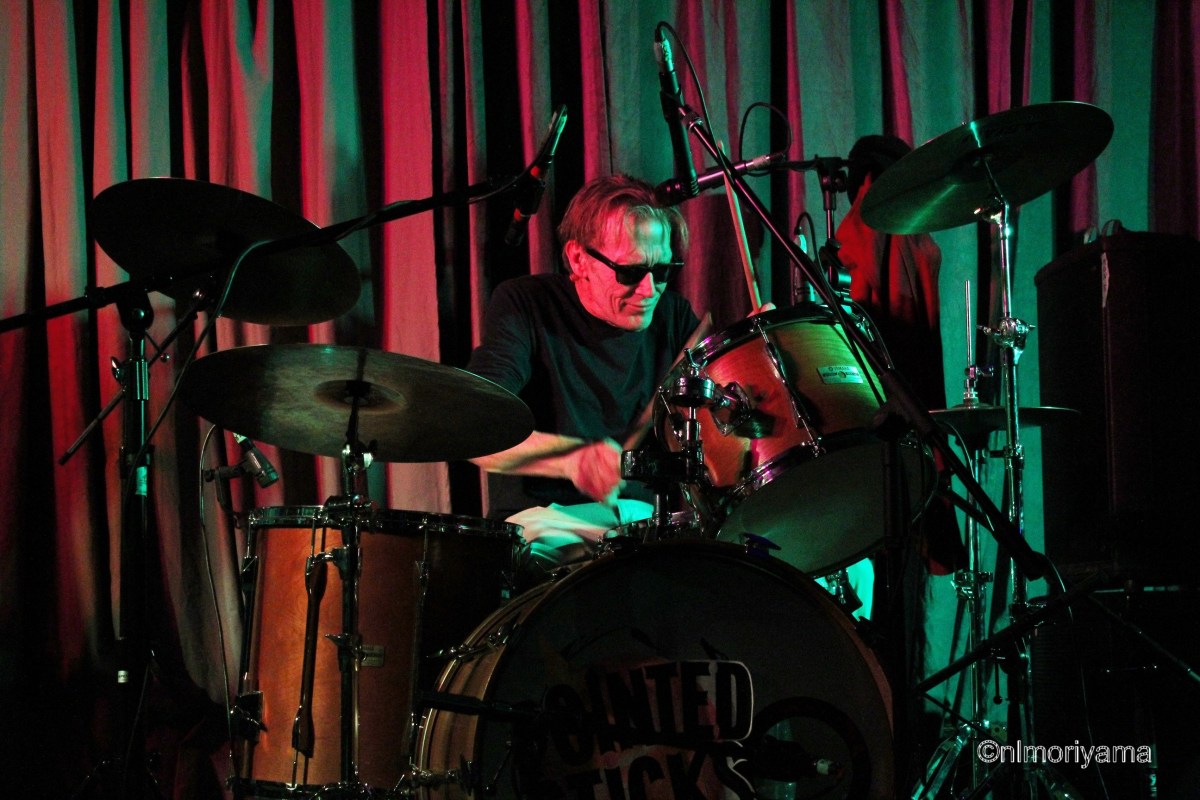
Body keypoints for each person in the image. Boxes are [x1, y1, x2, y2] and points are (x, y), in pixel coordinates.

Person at [467, 174, 701, 575]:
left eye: (663, 270)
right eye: (631, 272)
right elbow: (476, 432)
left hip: (642, 522)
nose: (650, 290)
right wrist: (571, 459)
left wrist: (755, 366)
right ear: (579, 260)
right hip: (548, 524)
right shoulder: (525, 305)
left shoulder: (674, 317)